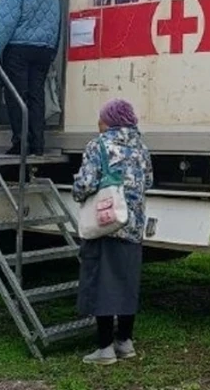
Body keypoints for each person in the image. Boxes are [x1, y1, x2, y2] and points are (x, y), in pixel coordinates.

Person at [72, 99, 154, 366]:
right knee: (126, 282)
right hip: (132, 224)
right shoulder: (141, 147)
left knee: (102, 283)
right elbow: (149, 181)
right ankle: (125, 342)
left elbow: (85, 183)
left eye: (101, 117)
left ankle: (105, 348)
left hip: (105, 224)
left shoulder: (98, 145)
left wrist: (77, 190)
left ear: (108, 120)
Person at [0, 0, 61, 156]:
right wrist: (52, 51)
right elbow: (57, 25)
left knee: (17, 95)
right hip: (44, 50)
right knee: (37, 95)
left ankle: (21, 142)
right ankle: (38, 143)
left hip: (18, 49)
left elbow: (3, 27)